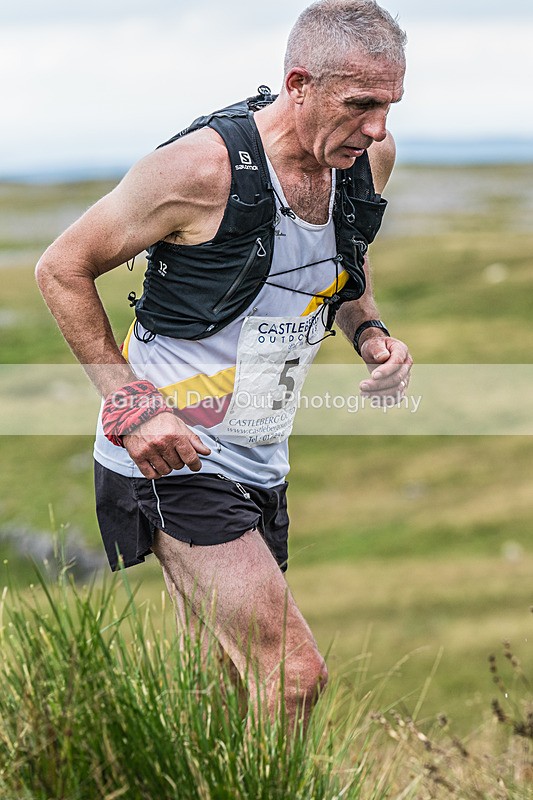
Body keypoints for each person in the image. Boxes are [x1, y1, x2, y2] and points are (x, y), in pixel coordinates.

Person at [36, 0, 412, 731]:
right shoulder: (199, 169)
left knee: (215, 693)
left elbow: (342, 269)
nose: (377, 129)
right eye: (360, 104)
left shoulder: (365, 161)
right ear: (298, 82)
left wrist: (370, 332)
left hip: (261, 455)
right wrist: (131, 404)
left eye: (390, 105)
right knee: (293, 676)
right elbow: (61, 268)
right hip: (174, 453)